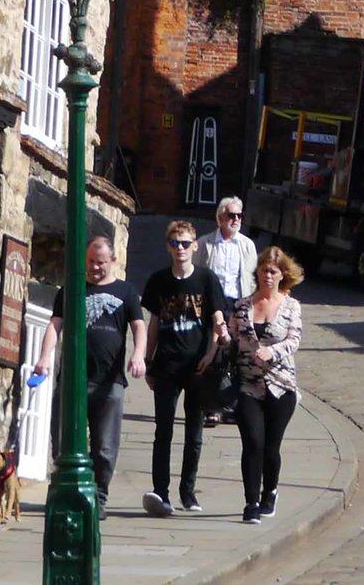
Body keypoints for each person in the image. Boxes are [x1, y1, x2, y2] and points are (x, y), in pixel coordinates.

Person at [31, 233, 145, 514]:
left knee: (105, 448)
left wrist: (139, 354)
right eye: (91, 262)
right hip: (72, 380)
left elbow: (139, 326)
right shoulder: (71, 289)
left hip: (109, 383)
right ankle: (63, 494)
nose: (96, 267)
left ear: (113, 261)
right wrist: (45, 357)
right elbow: (55, 325)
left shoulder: (126, 292)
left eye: (101, 262)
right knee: (64, 444)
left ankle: (99, 498)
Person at [138, 220, 230, 516]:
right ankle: (161, 492)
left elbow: (217, 317)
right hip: (166, 364)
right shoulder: (158, 281)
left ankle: (188, 492)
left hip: (197, 367)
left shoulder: (206, 279)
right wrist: (147, 360)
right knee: (163, 430)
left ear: (195, 246)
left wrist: (215, 346)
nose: (181, 248)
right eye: (176, 243)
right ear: (168, 246)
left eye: (186, 243)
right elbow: (153, 323)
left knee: (195, 432)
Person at [227, 245, 304, 523]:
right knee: (253, 442)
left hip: (281, 385)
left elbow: (294, 340)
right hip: (249, 383)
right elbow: (232, 338)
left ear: (282, 274)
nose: (267, 276)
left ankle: (269, 490)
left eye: (273, 272)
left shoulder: (291, 306)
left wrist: (273, 352)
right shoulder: (242, 306)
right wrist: (221, 338)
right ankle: (250, 503)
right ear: (257, 273)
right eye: (263, 271)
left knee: (271, 447)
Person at [198, 198, 256, 425]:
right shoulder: (206, 244)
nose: (236, 220)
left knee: (239, 356)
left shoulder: (247, 245)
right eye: (231, 215)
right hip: (214, 304)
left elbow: (253, 279)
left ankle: (237, 406)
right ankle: (211, 407)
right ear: (220, 217)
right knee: (214, 354)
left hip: (239, 304)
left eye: (239, 216)